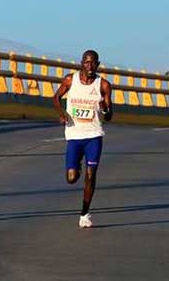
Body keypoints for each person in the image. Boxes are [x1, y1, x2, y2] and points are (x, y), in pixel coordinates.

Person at [52, 49, 113, 228]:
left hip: (94, 136)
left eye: (93, 63)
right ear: (81, 63)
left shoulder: (104, 85)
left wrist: (103, 109)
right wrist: (62, 113)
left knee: (90, 175)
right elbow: (56, 97)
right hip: (74, 135)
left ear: (98, 64)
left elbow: (109, 116)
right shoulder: (70, 80)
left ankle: (84, 214)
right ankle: (76, 165)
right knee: (71, 178)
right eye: (86, 62)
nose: (90, 66)